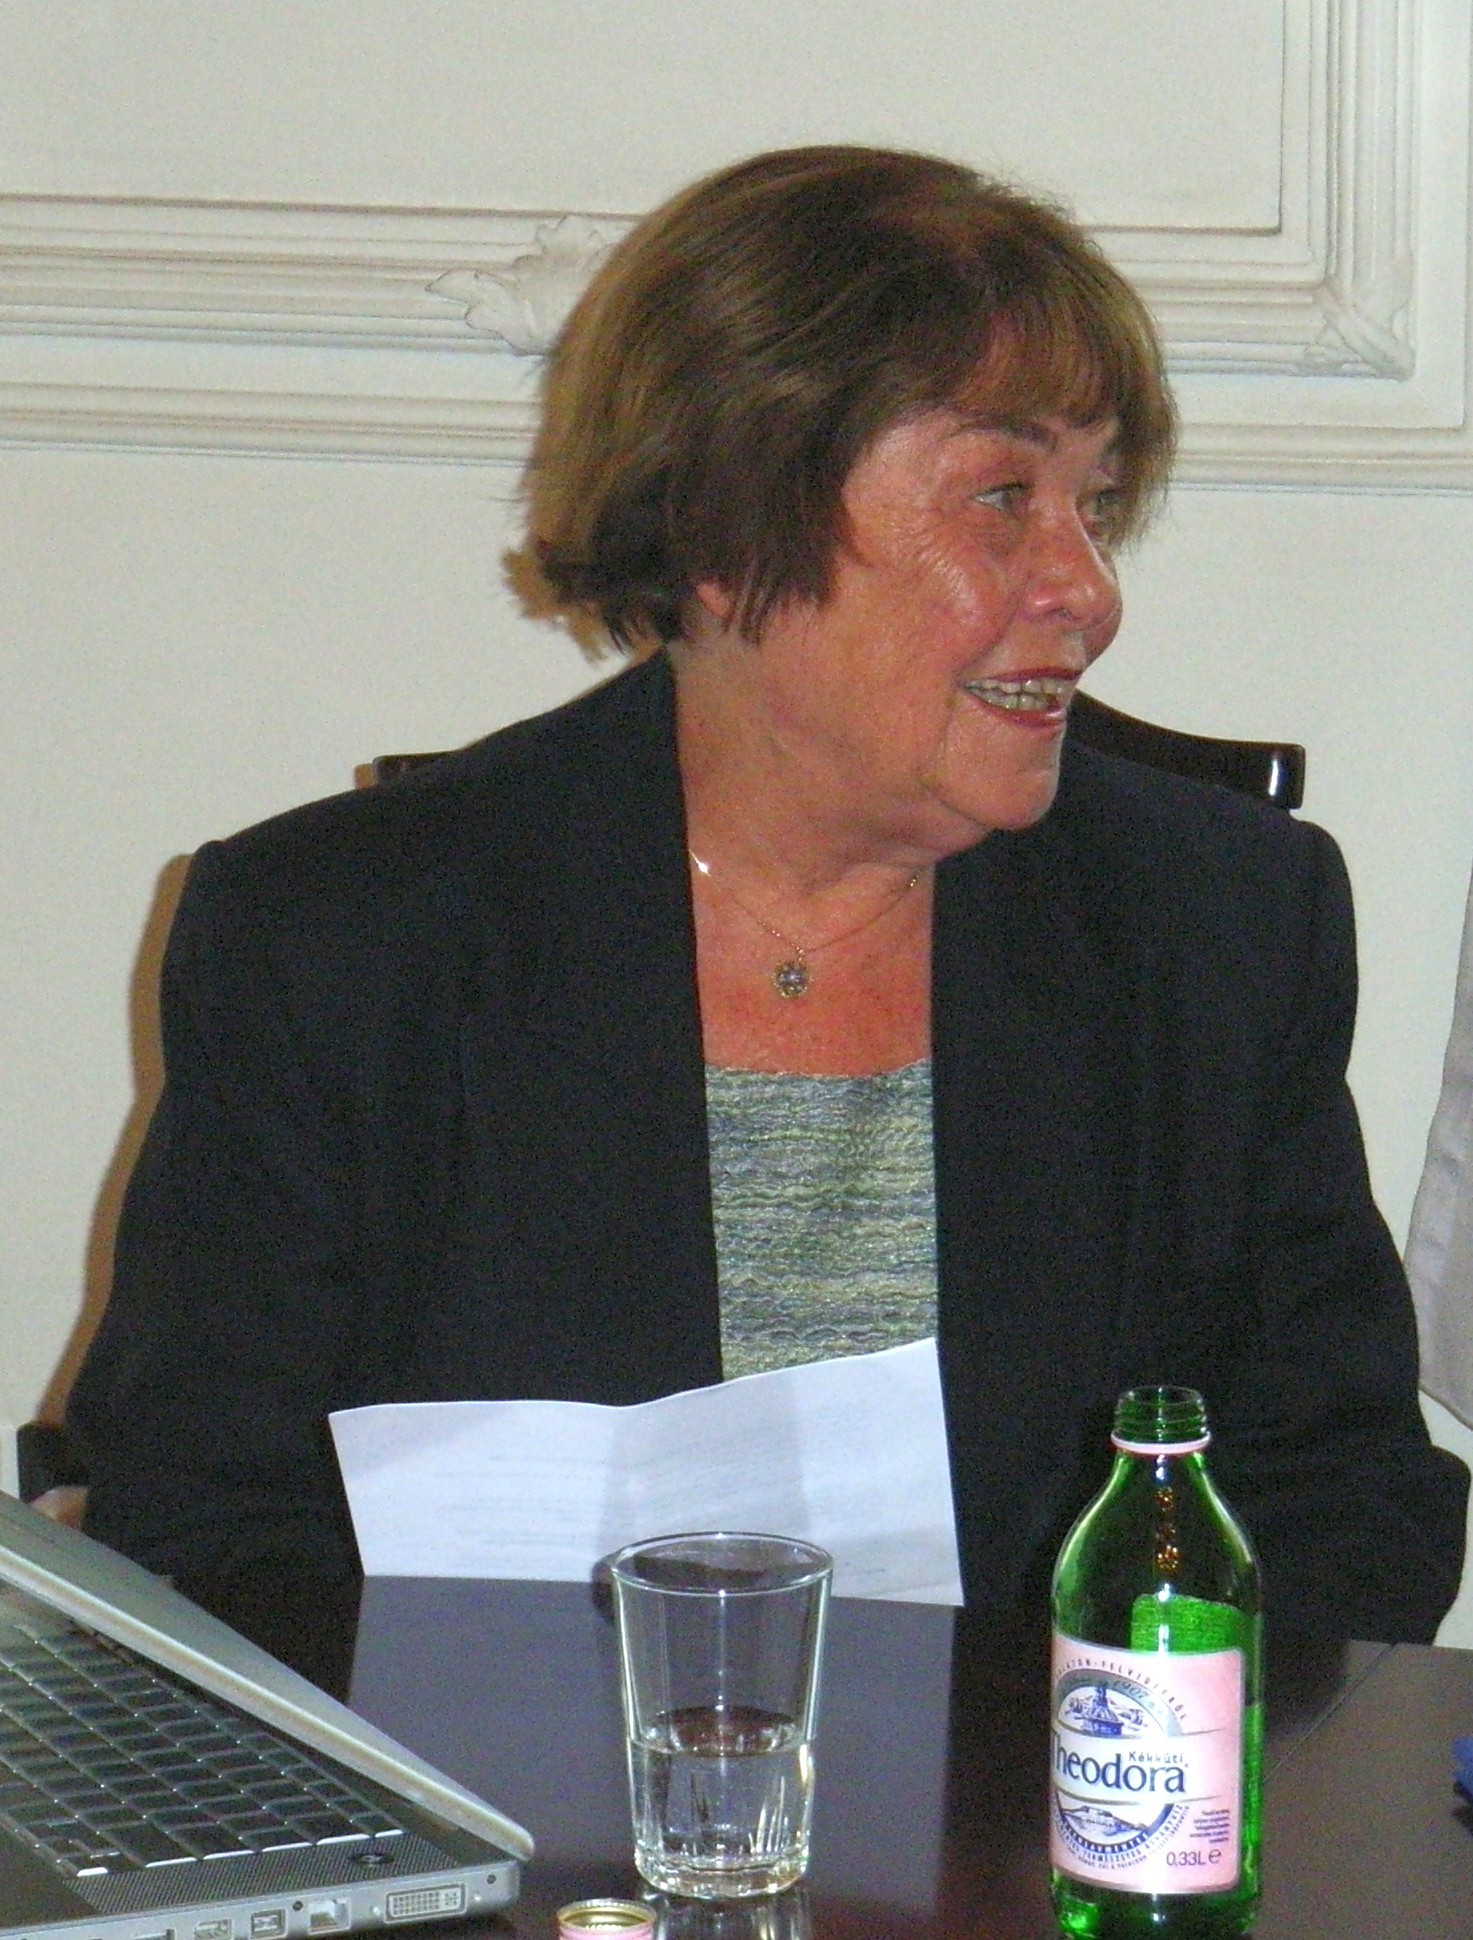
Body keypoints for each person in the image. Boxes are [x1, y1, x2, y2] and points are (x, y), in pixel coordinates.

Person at [70, 144, 1467, 1645]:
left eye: (1096, 503)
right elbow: (197, 1527)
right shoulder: (340, 942)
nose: (1088, 588)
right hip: (497, 1791)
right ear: (727, 539)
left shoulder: (1215, 925)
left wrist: (1100, 1735)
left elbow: (1343, 1499)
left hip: (1059, 1787)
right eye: (1003, 496)